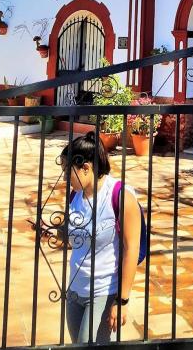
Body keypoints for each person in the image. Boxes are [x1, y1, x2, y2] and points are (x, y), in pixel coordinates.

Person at [59, 131, 142, 345]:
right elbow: (76, 239)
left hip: (104, 291)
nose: (65, 178)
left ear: (86, 168)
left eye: (68, 171)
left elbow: (131, 248)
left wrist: (122, 300)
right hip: (75, 289)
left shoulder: (120, 196)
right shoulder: (74, 196)